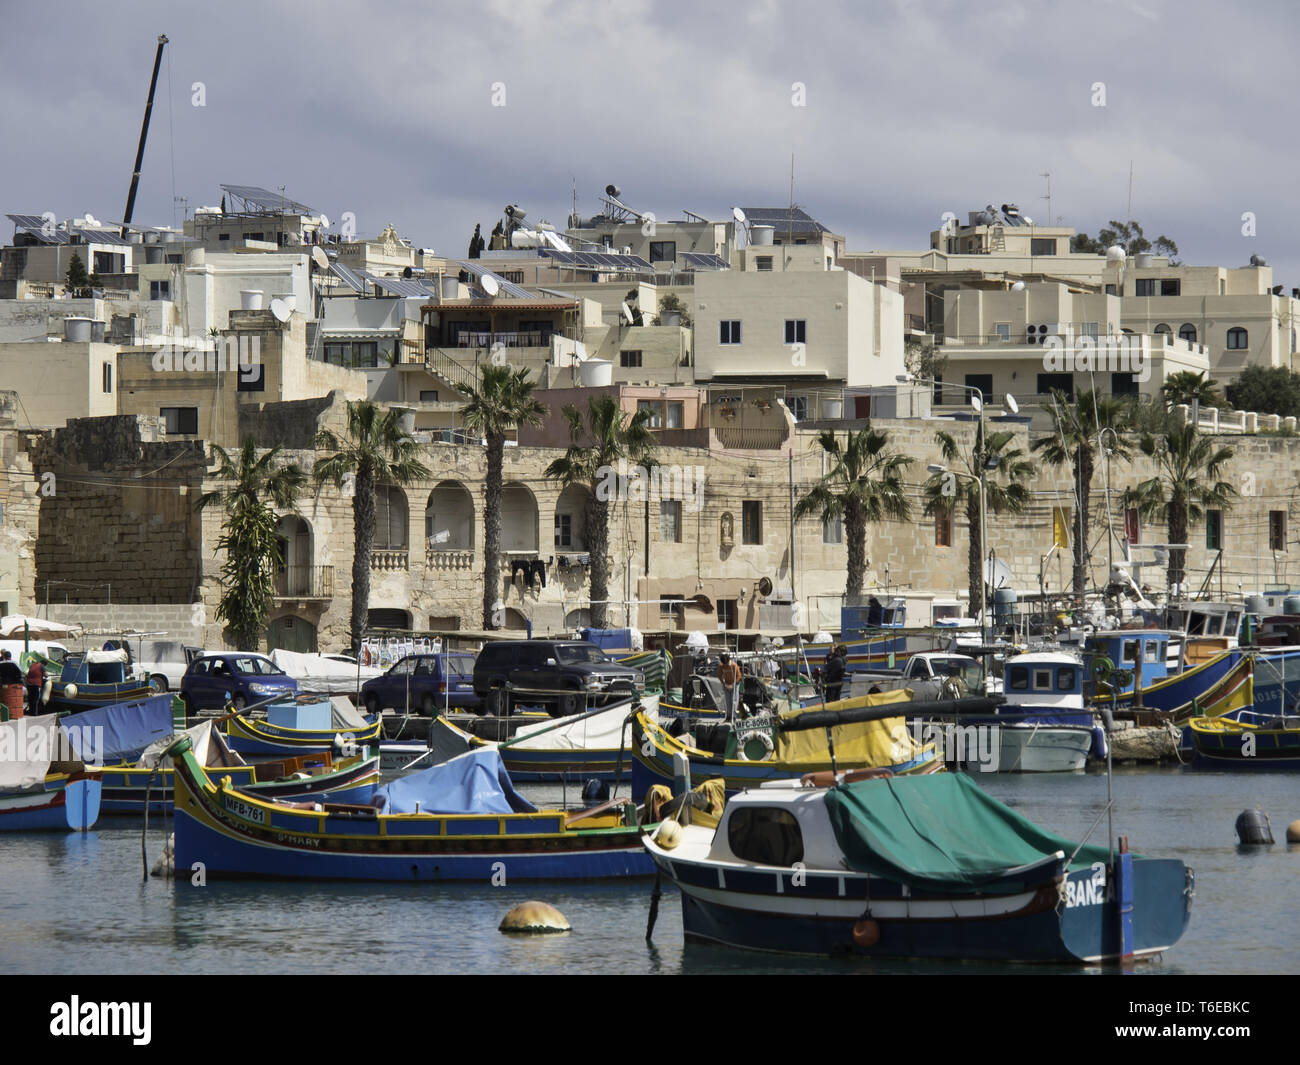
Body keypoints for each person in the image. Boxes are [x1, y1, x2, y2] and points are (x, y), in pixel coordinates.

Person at [717, 653, 743, 721]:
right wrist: (724, 683)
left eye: (726, 663)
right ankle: (728, 716)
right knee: (727, 701)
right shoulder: (721, 666)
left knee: (734, 700)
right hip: (726, 684)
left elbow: (739, 676)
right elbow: (719, 675)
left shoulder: (734, 665)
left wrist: (733, 685)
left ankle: (733, 716)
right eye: (724, 664)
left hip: (735, 684)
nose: (725, 665)